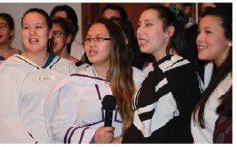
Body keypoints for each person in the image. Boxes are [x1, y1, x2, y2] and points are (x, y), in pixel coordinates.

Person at [45, 18, 144, 144]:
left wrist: (124, 140)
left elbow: (150, 124)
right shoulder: (74, 82)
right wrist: (92, 136)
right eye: (88, 39)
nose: (91, 44)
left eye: (99, 38)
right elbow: (58, 127)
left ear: (115, 43)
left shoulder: (138, 79)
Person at [0, 8, 77, 143]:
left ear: (50, 33)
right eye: (26, 27)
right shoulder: (9, 70)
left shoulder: (67, 68)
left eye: (38, 27)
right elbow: (2, 122)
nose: (32, 33)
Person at [122, 5, 201, 143]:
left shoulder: (179, 70)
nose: (139, 31)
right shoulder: (158, 70)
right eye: (139, 25)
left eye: (148, 24)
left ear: (169, 31)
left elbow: (185, 127)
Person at [191, 6, 232, 143]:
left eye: (208, 32)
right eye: (199, 32)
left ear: (230, 38)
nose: (199, 38)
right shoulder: (213, 72)